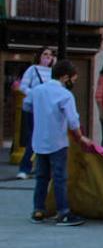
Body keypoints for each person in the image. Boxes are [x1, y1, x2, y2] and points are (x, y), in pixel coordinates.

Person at [26, 59, 89, 225]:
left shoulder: (37, 90)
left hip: (39, 141)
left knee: (41, 177)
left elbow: (27, 106)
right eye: (73, 80)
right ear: (65, 77)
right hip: (57, 142)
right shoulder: (65, 95)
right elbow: (73, 121)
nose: (72, 83)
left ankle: (38, 210)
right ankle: (63, 212)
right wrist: (80, 137)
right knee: (60, 177)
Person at [16, 47, 54, 179]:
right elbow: (23, 86)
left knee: (46, 139)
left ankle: (40, 168)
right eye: (45, 54)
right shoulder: (32, 69)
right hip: (34, 107)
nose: (48, 57)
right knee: (34, 137)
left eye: (50, 55)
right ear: (39, 56)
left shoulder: (53, 72)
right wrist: (36, 94)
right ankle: (24, 168)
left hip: (48, 109)